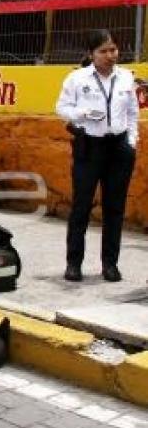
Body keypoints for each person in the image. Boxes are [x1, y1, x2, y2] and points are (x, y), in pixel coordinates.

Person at [55, 29, 138, 283]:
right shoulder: (77, 79)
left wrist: (132, 142)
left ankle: (110, 265)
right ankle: (73, 264)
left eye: (113, 49)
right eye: (103, 51)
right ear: (91, 54)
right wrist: (83, 113)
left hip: (119, 149)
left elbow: (133, 113)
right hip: (90, 147)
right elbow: (61, 108)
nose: (110, 55)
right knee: (81, 207)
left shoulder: (125, 77)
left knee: (115, 208)